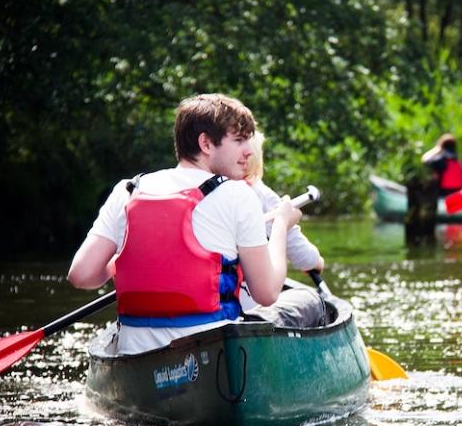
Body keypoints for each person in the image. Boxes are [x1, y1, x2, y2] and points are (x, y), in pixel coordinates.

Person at [68, 93, 304, 355]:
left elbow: (82, 275)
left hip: (134, 353)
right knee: (306, 303)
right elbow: (267, 292)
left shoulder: (128, 190)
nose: (249, 151)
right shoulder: (238, 195)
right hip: (212, 354)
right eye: (239, 140)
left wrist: (126, 261)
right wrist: (282, 223)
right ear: (205, 143)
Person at [239, 132, 326, 324]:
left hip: (218, 311)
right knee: (313, 300)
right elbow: (305, 258)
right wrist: (317, 262)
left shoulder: (210, 193)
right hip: (253, 312)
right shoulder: (265, 197)